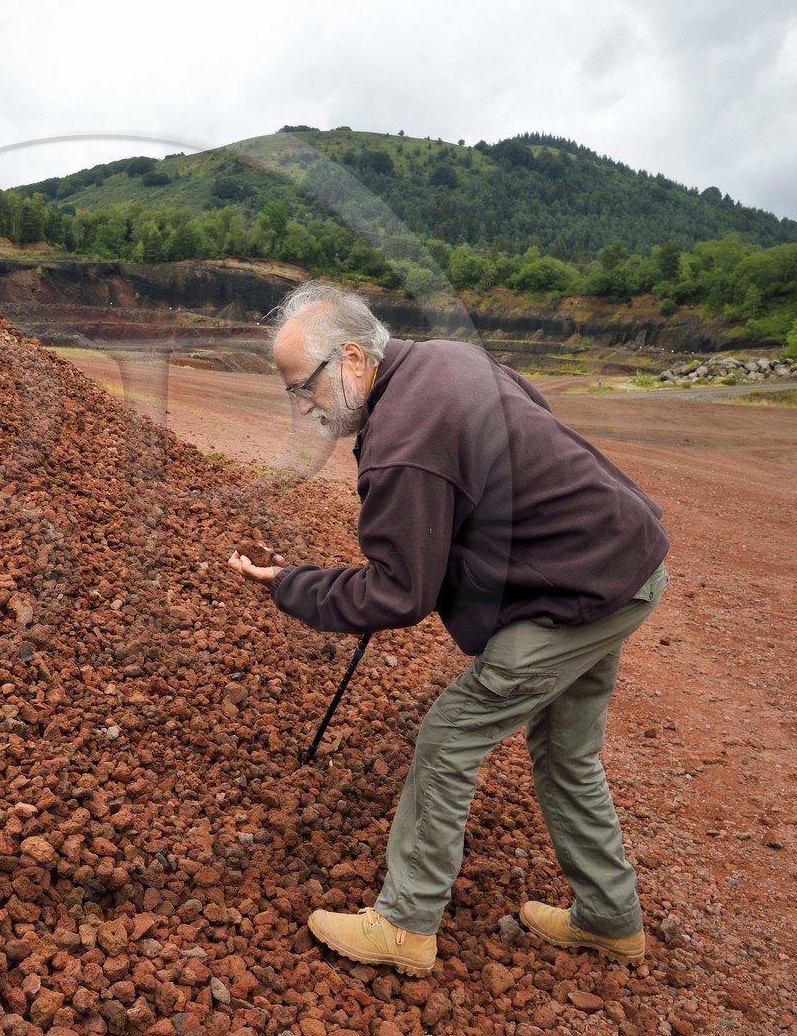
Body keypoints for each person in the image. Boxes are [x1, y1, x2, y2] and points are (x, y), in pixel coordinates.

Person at [228, 280, 669, 978]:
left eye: (301, 386)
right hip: (623, 562)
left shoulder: (404, 437)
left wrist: (289, 584)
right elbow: (530, 435)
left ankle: (406, 922)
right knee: (566, 754)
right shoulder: (443, 359)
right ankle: (611, 920)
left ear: (351, 359)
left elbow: (399, 593)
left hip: (576, 591)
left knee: (448, 736)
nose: (301, 404)